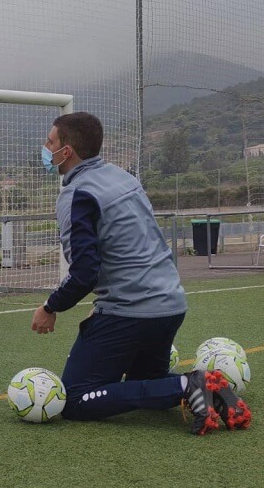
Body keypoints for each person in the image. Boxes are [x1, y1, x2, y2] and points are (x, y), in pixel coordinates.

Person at [29, 112, 250, 435]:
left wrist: (50, 308)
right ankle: (209, 389)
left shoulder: (77, 194)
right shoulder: (124, 178)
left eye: (50, 142)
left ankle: (187, 386)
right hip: (171, 303)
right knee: (142, 385)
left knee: (74, 399)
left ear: (68, 151)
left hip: (130, 311)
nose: (45, 148)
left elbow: (85, 272)